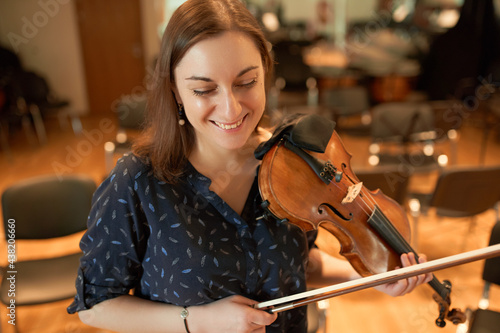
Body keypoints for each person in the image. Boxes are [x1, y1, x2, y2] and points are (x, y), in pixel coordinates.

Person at [67, 0, 432, 332]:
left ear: (265, 75)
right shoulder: (135, 181)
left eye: (246, 82)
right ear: (175, 91)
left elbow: (301, 265)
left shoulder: (292, 163)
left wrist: (372, 276)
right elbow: (96, 305)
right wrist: (199, 321)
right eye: (203, 90)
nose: (231, 109)